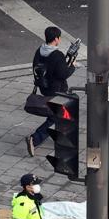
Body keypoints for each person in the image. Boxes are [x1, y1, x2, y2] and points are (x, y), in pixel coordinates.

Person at [25, 26, 74, 157]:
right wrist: (72, 66)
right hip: (57, 89)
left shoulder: (39, 51)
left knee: (62, 113)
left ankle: (62, 137)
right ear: (56, 39)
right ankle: (35, 138)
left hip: (45, 88)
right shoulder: (57, 55)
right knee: (58, 114)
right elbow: (63, 74)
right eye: (59, 38)